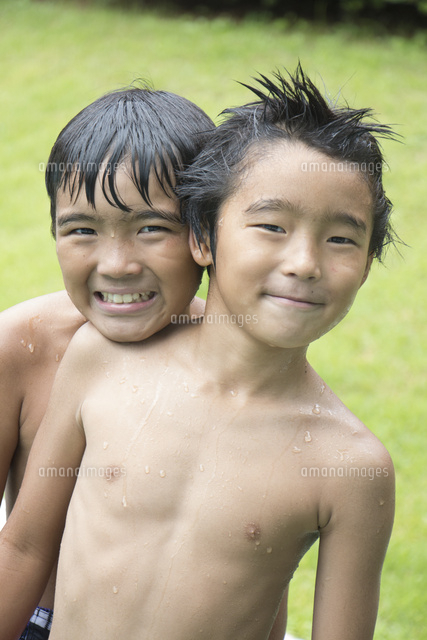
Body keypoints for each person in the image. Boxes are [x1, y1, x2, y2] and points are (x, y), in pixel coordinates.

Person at [0, 65, 396, 640]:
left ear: (366, 266)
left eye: (340, 239)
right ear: (204, 237)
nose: (304, 263)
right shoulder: (99, 360)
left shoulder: (353, 469)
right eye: (271, 226)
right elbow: (27, 543)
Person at [0, 85, 213, 639]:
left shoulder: (236, 361)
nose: (116, 265)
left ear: (205, 234)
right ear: (53, 233)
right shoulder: (21, 347)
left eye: (150, 228)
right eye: (82, 231)